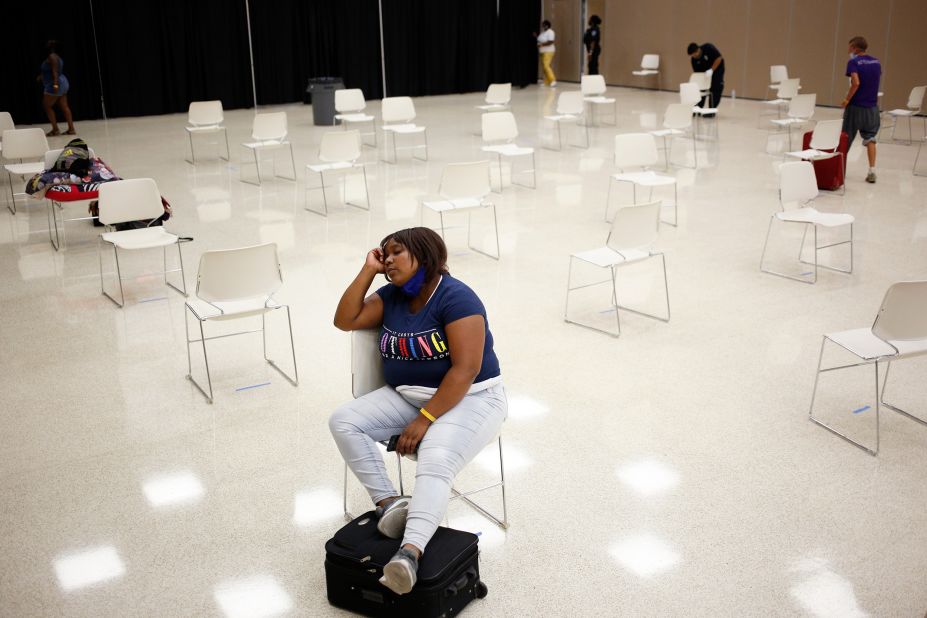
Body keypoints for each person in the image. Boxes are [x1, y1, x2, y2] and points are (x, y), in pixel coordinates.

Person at [330, 227, 507, 596]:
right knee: (344, 420)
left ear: (424, 255)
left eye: (396, 253)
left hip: (472, 398)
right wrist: (368, 271)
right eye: (384, 254)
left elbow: (465, 370)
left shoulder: (458, 298)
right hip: (410, 396)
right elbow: (344, 320)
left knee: (435, 458)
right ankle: (390, 504)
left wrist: (424, 421)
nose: (388, 260)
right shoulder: (391, 296)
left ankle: (409, 554)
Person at [841, 36, 882, 183]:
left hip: (856, 107)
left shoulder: (853, 62)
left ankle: (840, 170)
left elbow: (856, 82)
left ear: (855, 48)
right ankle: (872, 170)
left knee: (846, 138)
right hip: (872, 107)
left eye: (850, 47)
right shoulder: (876, 62)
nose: (848, 50)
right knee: (870, 138)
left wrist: (847, 99)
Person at [37, 40, 76, 137]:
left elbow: (55, 72)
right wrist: (42, 76)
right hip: (62, 82)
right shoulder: (56, 56)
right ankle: (71, 129)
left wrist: (55, 85)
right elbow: (52, 70)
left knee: (46, 106)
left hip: (55, 83)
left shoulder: (52, 57)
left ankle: (55, 129)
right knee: (64, 106)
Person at [687, 42, 725, 116]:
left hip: (717, 69)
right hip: (704, 72)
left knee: (715, 88)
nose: (694, 57)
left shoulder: (708, 48)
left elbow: (719, 58)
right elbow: (697, 73)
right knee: (701, 88)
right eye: (692, 56)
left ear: (698, 50)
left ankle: (711, 111)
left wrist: (711, 70)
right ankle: (698, 108)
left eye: (694, 54)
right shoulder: (693, 60)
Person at [535, 20, 557, 87]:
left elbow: (550, 41)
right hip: (543, 52)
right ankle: (547, 81)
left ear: (547, 25)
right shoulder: (543, 33)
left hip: (549, 51)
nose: (542, 26)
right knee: (545, 67)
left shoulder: (550, 32)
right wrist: (536, 37)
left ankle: (553, 80)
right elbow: (540, 40)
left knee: (546, 66)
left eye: (544, 25)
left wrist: (541, 45)